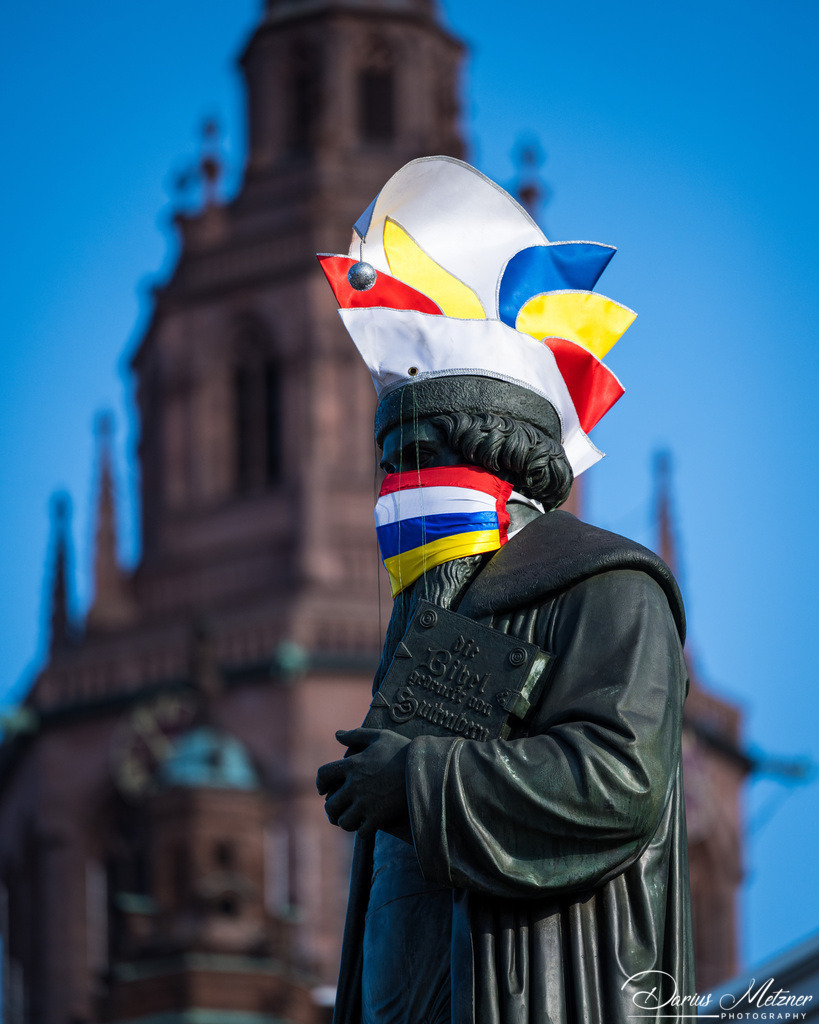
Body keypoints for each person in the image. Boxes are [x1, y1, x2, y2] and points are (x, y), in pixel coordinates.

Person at [315, 157, 694, 1024]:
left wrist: (415, 779)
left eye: (414, 462)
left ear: (490, 459)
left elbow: (619, 779)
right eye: (388, 468)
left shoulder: (608, 585)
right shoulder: (427, 621)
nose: (393, 493)